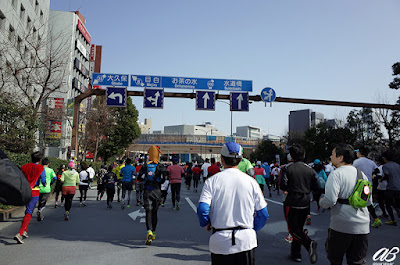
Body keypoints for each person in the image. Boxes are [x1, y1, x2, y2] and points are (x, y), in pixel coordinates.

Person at [197, 142, 269, 265]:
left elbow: (202, 209)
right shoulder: (251, 182)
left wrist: (207, 222)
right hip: (246, 241)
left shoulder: (212, 181)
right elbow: (263, 213)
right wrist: (250, 229)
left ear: (222, 159)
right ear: (241, 159)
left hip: (220, 241)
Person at [320, 144, 372, 265]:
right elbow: (368, 201)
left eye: (333, 154)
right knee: (357, 261)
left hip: (342, 225)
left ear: (340, 158)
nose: (331, 157)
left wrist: (321, 202)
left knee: (335, 260)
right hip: (362, 227)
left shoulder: (336, 174)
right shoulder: (361, 175)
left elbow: (330, 200)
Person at [280, 145, 319, 263]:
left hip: (291, 200)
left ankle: (309, 243)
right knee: (299, 228)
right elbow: (317, 186)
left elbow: (283, 185)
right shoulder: (310, 169)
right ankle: (296, 254)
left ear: (291, 156)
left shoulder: (287, 168)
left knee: (292, 229)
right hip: (305, 201)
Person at [14, 152, 47, 244]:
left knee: (27, 210)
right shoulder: (41, 168)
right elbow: (44, 181)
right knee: (29, 212)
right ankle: (20, 233)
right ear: (40, 160)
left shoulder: (24, 166)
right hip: (34, 191)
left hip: (24, 190)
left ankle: (25, 230)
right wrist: (44, 184)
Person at [138, 145, 167, 245]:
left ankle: (148, 231)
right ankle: (154, 232)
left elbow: (139, 177)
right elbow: (164, 179)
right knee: (155, 212)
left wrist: (145, 180)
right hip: (157, 191)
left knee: (148, 211)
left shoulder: (145, 165)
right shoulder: (160, 166)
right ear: (158, 154)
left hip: (147, 191)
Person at [353, 147, 382, 228]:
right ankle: (376, 219)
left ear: (360, 153)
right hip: (369, 185)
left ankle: (360, 222)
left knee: (358, 202)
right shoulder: (371, 162)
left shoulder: (356, 162)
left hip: (359, 185)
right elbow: (377, 170)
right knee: (368, 203)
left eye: (357, 152)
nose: (356, 154)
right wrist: (373, 174)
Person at [381, 150, 400, 226]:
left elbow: (386, 176)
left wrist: (381, 179)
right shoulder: (398, 165)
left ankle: (393, 220)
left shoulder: (385, 166)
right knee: (398, 203)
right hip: (399, 187)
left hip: (391, 187)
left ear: (385, 158)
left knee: (388, 204)